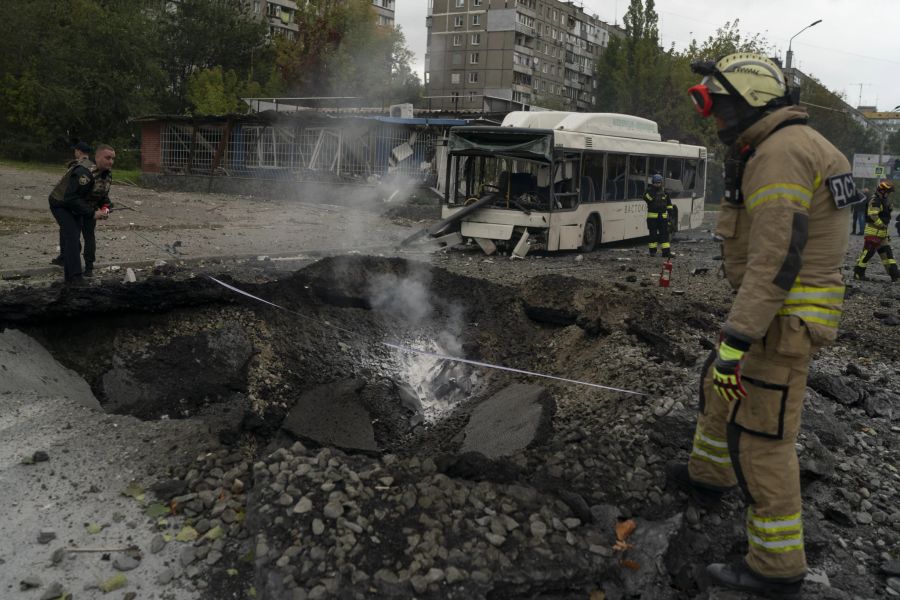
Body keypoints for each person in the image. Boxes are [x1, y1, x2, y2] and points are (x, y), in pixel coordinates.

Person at [669, 53, 853, 596]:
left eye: (721, 107)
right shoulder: (790, 144)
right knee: (718, 390)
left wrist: (738, 337)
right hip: (773, 314)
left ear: (750, 102)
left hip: (780, 320)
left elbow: (776, 260)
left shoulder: (780, 155)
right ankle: (708, 480)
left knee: (761, 438)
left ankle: (776, 568)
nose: (717, 121)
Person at [47, 144, 114, 284]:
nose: (111, 162)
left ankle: (70, 278)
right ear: (97, 157)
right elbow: (70, 198)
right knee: (73, 237)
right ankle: (75, 277)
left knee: (75, 238)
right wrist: (92, 213)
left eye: (113, 158)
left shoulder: (107, 175)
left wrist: (105, 211)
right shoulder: (84, 172)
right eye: (107, 158)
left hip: (77, 207)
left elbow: (104, 199)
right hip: (61, 204)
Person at [50, 142, 93, 267]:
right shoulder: (87, 164)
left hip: (75, 204)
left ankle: (73, 261)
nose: (74, 153)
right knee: (69, 231)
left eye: (75, 150)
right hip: (79, 204)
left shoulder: (82, 165)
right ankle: (65, 257)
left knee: (75, 234)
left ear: (79, 151)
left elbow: (73, 188)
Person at [853, 180, 898, 282]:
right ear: (882, 191)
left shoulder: (883, 201)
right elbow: (873, 215)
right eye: (888, 192)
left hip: (881, 234)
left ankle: (895, 275)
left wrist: (885, 231)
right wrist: (881, 225)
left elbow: (884, 216)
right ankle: (858, 274)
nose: (889, 194)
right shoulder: (875, 200)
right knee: (867, 254)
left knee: (888, 255)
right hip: (873, 233)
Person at [643, 173, 673, 257]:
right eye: (656, 183)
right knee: (653, 235)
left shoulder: (665, 193)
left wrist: (670, 215)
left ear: (661, 183)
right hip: (652, 218)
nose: (657, 184)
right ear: (652, 183)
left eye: (659, 183)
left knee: (664, 235)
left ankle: (666, 252)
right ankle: (652, 252)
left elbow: (669, 205)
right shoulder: (648, 191)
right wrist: (653, 191)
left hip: (663, 218)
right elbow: (647, 199)